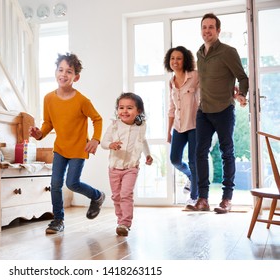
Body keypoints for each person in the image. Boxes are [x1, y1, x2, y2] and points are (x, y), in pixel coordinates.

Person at [29, 53, 105, 233]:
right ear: (55, 72)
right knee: (55, 184)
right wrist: (39, 134)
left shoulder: (82, 100)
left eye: (69, 71)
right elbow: (48, 123)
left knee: (72, 183)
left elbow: (97, 119)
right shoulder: (48, 98)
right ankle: (58, 220)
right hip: (60, 149)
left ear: (75, 77)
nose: (63, 74)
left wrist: (95, 140)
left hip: (79, 148)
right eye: (60, 70)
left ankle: (97, 196)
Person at [187, 13, 249, 213]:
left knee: (226, 153)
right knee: (199, 153)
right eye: (204, 27)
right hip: (203, 110)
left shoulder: (228, 52)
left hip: (224, 109)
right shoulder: (199, 53)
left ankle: (227, 199)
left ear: (218, 30)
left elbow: (242, 77)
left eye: (211, 27)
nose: (207, 31)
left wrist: (241, 94)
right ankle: (203, 199)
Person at [101, 92, 153, 236]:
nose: (124, 111)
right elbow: (103, 143)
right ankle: (120, 220)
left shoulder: (141, 126)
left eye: (129, 108)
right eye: (121, 107)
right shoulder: (114, 126)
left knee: (126, 194)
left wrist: (147, 154)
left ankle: (125, 223)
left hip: (131, 167)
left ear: (139, 111)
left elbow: (142, 141)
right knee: (116, 196)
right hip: (114, 168)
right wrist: (111, 145)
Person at [164, 46, 200, 209]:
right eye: (172, 58)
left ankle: (194, 197)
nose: (175, 61)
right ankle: (191, 177)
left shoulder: (195, 76)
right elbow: (171, 107)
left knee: (194, 161)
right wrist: (169, 131)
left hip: (194, 125)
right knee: (175, 159)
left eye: (179, 58)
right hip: (178, 126)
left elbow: (202, 96)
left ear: (185, 59)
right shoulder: (171, 82)